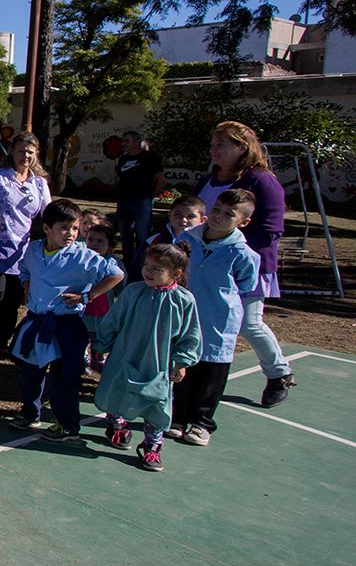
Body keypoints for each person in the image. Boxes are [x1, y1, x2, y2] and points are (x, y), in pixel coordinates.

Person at [194, 120, 294, 408]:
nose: (214, 150)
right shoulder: (209, 179)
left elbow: (270, 230)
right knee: (198, 320)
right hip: (203, 265)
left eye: (221, 145)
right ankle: (192, 377)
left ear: (242, 148)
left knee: (248, 323)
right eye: (212, 144)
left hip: (242, 267)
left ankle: (279, 373)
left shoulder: (261, 181)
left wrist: (231, 252)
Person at [9, 198, 124, 441]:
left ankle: (67, 424)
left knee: (63, 378)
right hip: (37, 322)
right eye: (64, 228)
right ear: (47, 228)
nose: (70, 233)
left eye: (75, 228)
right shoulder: (33, 250)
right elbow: (25, 271)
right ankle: (30, 413)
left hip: (66, 325)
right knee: (30, 374)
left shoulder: (83, 256)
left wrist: (88, 295)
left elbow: (116, 274)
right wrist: (27, 285)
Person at [93, 243, 202, 473]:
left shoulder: (184, 300)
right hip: (125, 354)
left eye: (157, 269)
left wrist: (182, 362)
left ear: (176, 274)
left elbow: (190, 335)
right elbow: (114, 319)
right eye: (146, 265)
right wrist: (103, 343)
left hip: (158, 362)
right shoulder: (133, 291)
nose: (148, 272)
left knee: (157, 403)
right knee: (117, 390)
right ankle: (116, 425)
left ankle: (152, 445)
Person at [172, 189, 261, 447]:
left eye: (229, 214)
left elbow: (246, 283)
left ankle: (201, 422)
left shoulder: (243, 253)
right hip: (184, 316)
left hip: (218, 320)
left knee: (211, 372)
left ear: (243, 222)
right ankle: (177, 418)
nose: (219, 216)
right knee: (181, 366)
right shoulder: (187, 239)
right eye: (217, 209)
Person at [0, 132, 52, 356]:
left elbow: (48, 214)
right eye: (21, 150)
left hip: (21, 253)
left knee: (13, 300)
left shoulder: (39, 183)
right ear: (12, 151)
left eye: (30, 152)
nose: (26, 156)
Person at [114, 130, 165, 271]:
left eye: (127, 141)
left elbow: (160, 179)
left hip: (142, 201)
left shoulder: (150, 157)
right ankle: (127, 265)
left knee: (143, 235)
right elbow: (119, 178)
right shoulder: (123, 159)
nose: (124, 144)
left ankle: (143, 264)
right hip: (124, 202)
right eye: (123, 141)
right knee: (125, 234)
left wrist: (150, 196)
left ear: (137, 142)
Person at [81, 223, 120, 374]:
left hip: (104, 310)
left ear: (110, 246)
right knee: (83, 335)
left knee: (101, 336)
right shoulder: (81, 259)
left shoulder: (113, 263)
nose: (94, 244)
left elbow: (122, 285)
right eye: (90, 239)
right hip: (84, 309)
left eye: (100, 241)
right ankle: (83, 359)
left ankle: (98, 359)